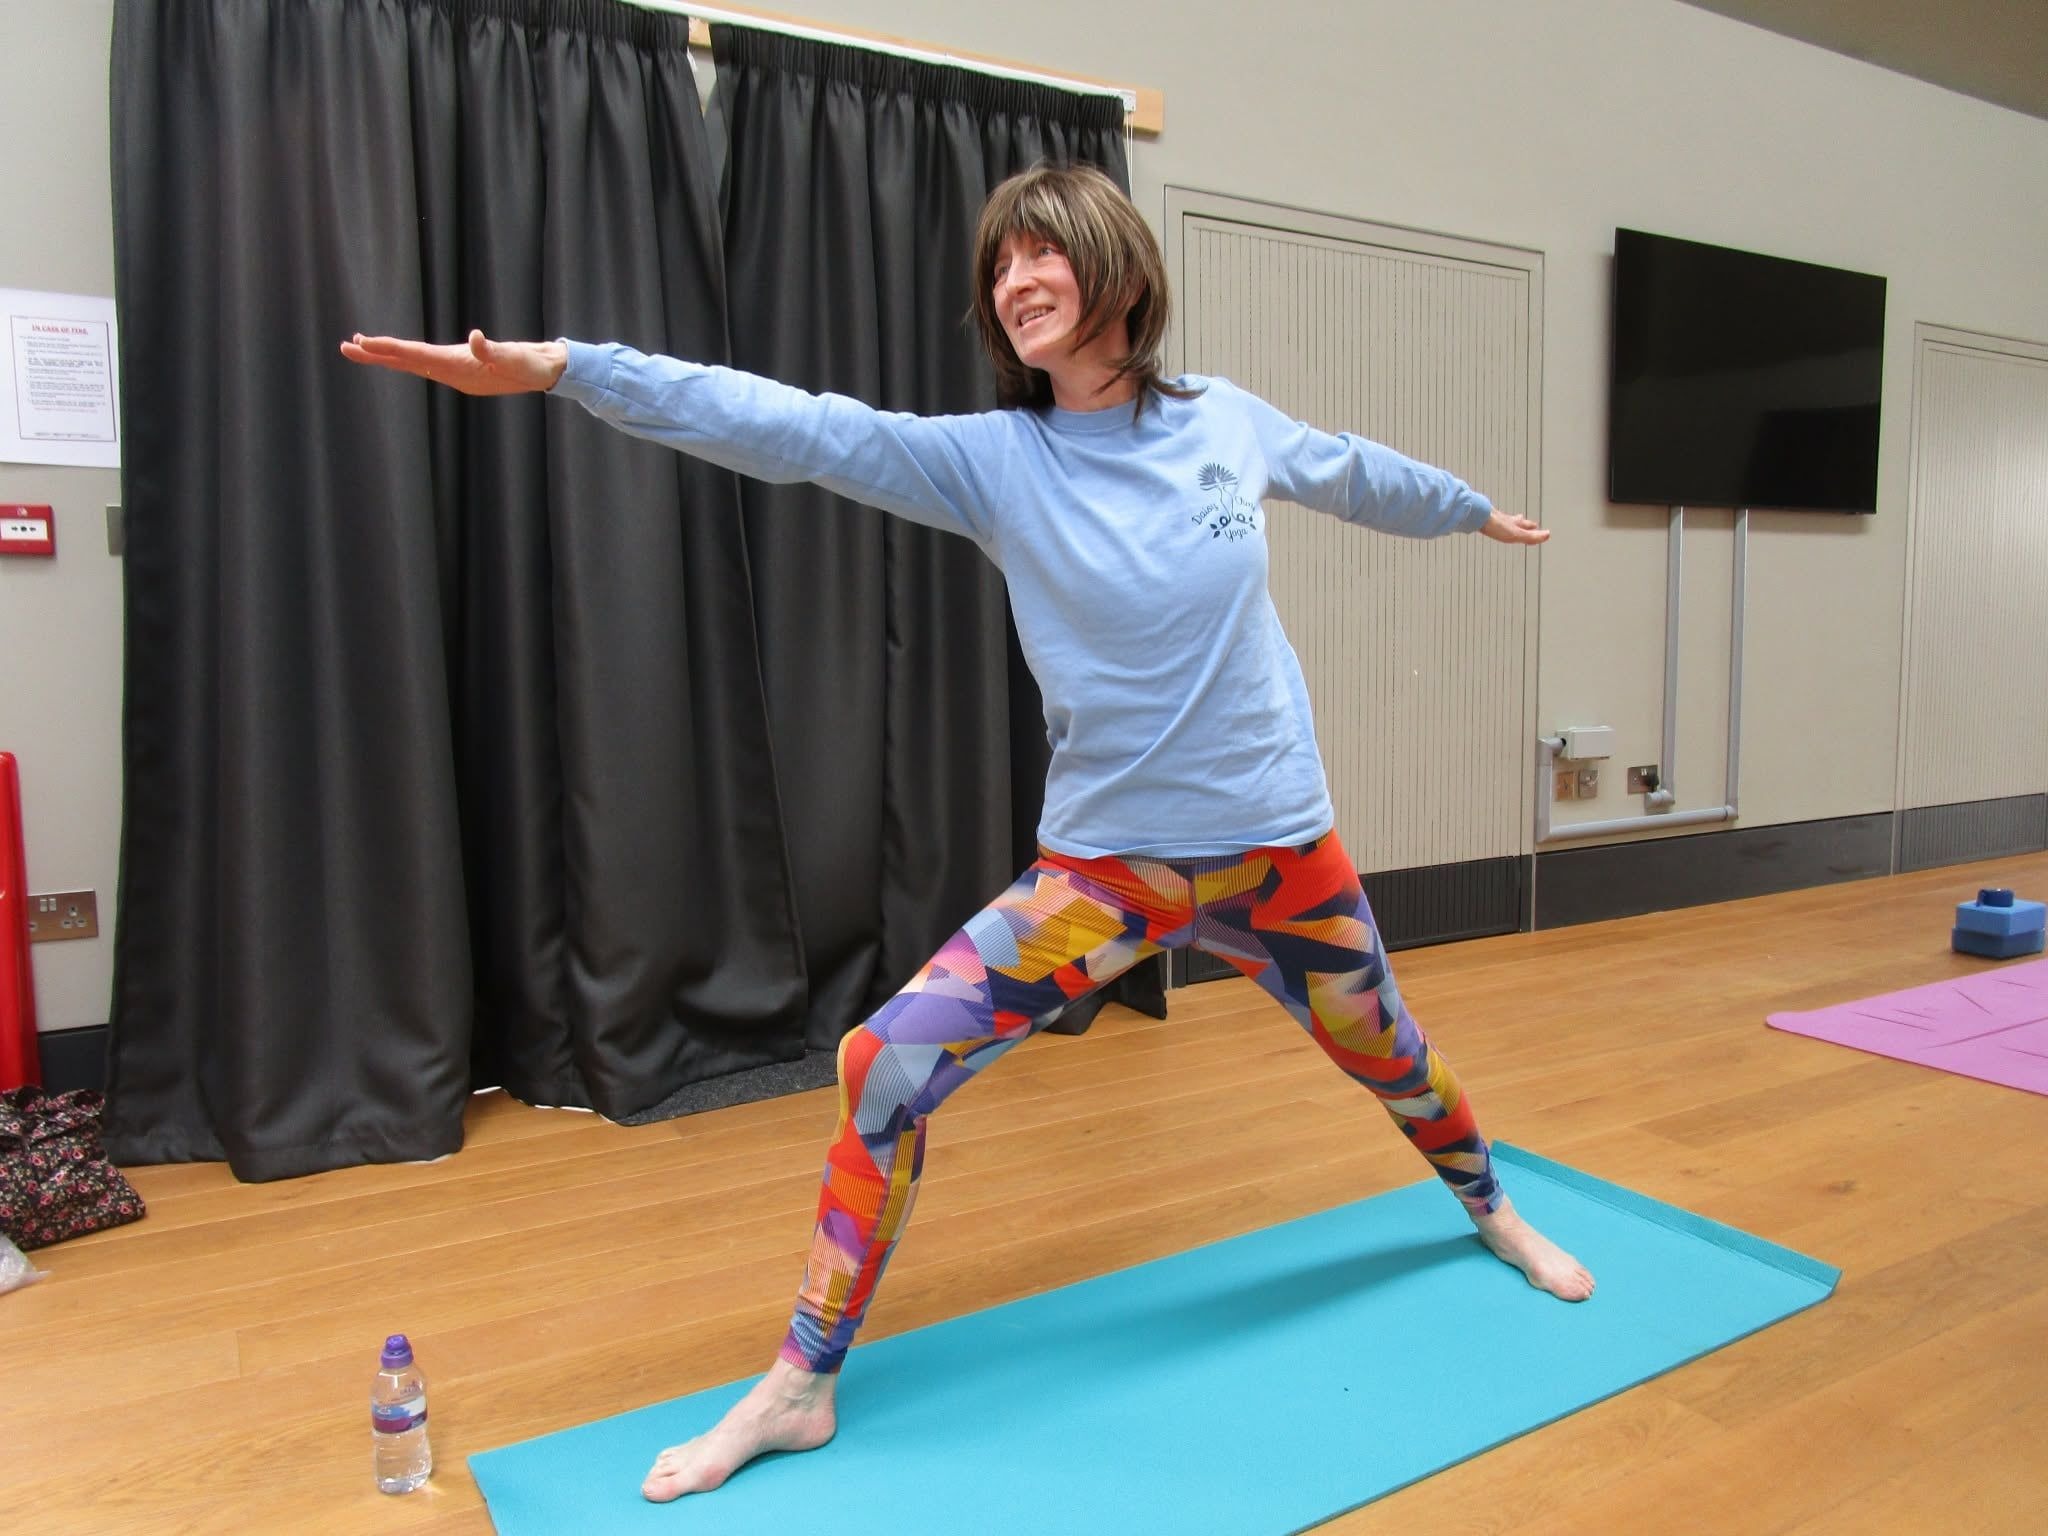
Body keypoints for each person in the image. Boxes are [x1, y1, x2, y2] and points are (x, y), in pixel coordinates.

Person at [343, 162, 1592, 1506]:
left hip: (1279, 854)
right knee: (882, 1067)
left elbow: (1354, 473)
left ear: (1114, 265)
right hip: (1105, 874)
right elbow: (787, 424)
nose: (1014, 283)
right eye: (999, 268)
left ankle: (1490, 1207)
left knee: (1391, 1054)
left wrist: (1468, 508)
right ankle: (801, 1382)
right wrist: (563, 370)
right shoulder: (998, 462)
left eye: (1039, 253)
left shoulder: (1225, 423)